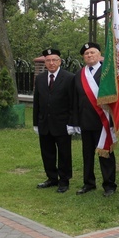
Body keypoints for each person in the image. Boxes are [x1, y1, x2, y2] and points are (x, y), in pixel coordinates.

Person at [73, 42, 117, 197]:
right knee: (87, 155)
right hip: (85, 121)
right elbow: (75, 100)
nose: (90, 55)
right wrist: (75, 122)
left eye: (92, 52)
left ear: (99, 55)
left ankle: (109, 184)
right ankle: (88, 183)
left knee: (105, 154)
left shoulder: (108, 73)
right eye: (86, 54)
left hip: (103, 121)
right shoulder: (79, 75)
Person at [33, 48, 76, 193]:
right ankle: (51, 178)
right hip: (44, 122)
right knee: (47, 153)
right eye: (48, 60)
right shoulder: (39, 78)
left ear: (60, 61)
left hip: (62, 123)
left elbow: (72, 103)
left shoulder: (69, 77)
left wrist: (72, 122)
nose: (51, 63)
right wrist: (35, 123)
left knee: (64, 153)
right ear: (45, 63)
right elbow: (37, 101)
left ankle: (64, 181)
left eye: (54, 60)